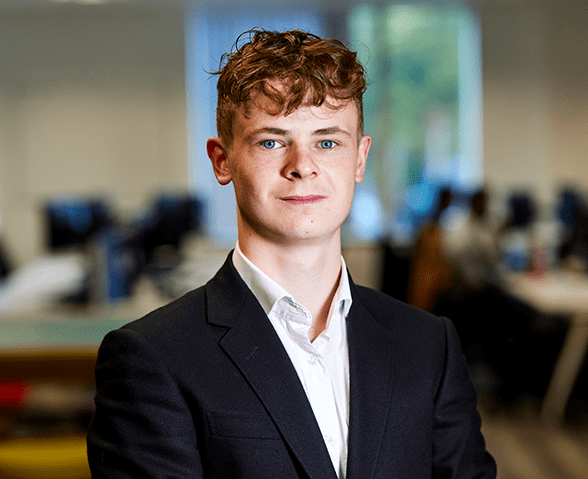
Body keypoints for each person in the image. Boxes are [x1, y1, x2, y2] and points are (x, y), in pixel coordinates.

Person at [87, 29, 496, 478]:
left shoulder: (429, 346)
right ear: (222, 160)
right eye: (271, 141)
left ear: (359, 159)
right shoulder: (151, 359)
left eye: (327, 141)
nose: (302, 165)